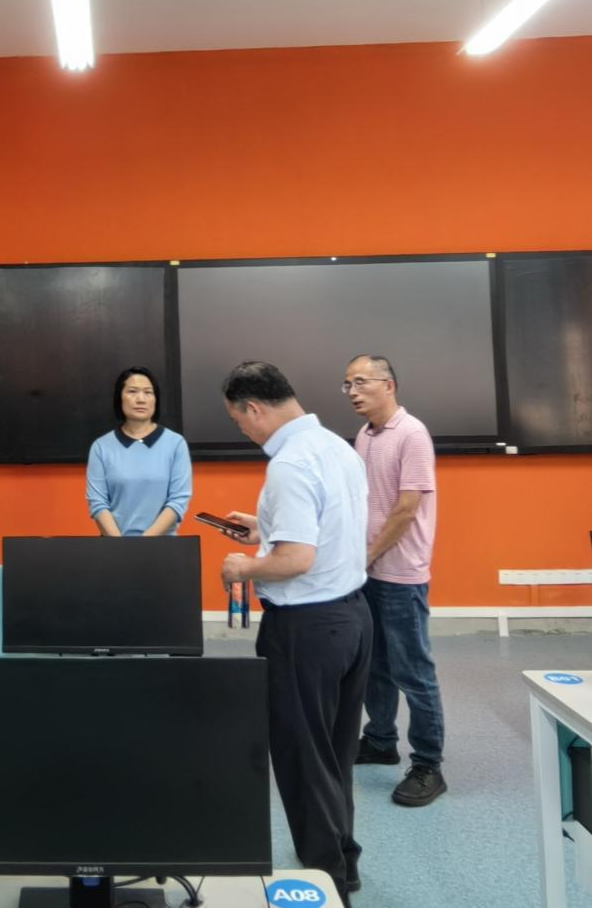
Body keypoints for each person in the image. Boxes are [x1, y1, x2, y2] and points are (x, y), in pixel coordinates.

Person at [218, 361, 372, 905]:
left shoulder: (288, 464)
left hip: (304, 629)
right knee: (335, 753)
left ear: (254, 407)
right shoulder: (337, 448)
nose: (242, 429)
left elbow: (296, 560)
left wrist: (243, 566)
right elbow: (325, 531)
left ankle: (327, 880)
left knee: (304, 758)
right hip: (353, 619)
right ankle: (344, 860)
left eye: (239, 419)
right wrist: (265, 530)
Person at [344, 354, 447, 806]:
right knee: (374, 665)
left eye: (361, 382)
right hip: (368, 570)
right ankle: (381, 740)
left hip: (401, 574)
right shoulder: (364, 436)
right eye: (347, 384)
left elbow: (406, 509)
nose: (352, 392)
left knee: (413, 671)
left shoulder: (412, 433)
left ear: (389, 385)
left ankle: (428, 765)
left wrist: (367, 556)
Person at [86, 365, 192, 536]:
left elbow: (178, 501)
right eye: (132, 392)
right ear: (119, 397)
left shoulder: (175, 443)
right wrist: (122, 545)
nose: (141, 399)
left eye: (148, 392)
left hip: (162, 545)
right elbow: (98, 503)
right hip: (115, 544)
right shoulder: (101, 447)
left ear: (155, 399)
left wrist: (143, 544)